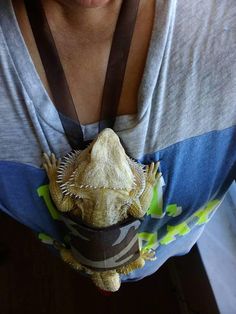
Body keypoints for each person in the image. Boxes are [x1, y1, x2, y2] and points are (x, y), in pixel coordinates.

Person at [0, 0, 235, 285]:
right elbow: (135, 208)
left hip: (83, 255)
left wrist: (53, 172)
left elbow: (62, 204)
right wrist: (148, 183)